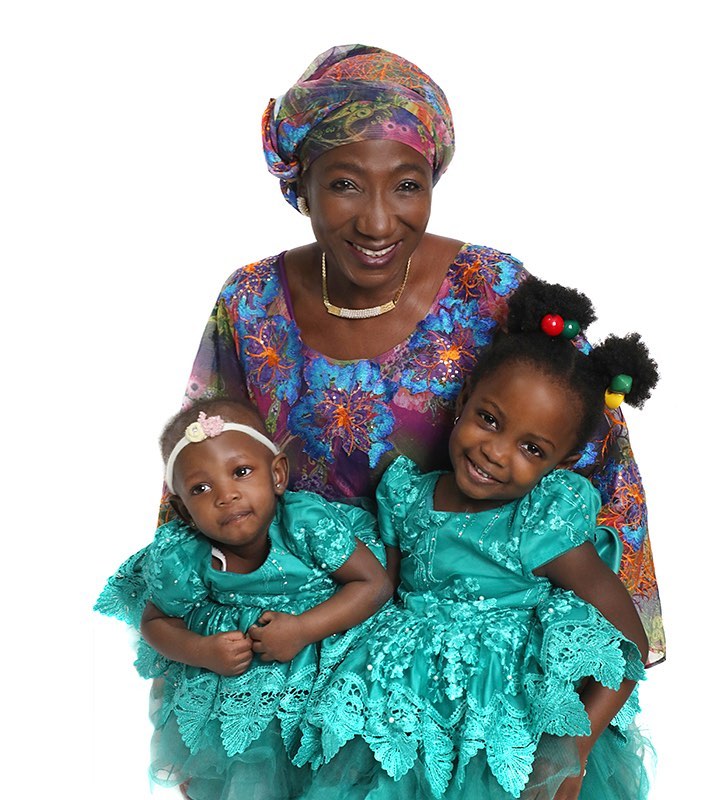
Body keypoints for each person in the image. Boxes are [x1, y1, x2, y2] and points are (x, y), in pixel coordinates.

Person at [174, 43, 665, 663]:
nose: (378, 223)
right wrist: (186, 636)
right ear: (302, 185)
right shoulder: (250, 304)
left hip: (472, 654)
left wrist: (604, 672)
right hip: (291, 638)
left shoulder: (489, 290)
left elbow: (598, 460)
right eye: (346, 185)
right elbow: (195, 464)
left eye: (407, 186)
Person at [295, 276, 658, 800]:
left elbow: (629, 642)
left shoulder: (538, 524)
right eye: (489, 419)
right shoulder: (405, 494)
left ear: (562, 463)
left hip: (501, 725)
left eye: (532, 449)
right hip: (403, 712)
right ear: (464, 400)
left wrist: (574, 750)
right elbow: (381, 592)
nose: (496, 451)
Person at [95, 398, 394, 800]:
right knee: (252, 770)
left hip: (328, 660)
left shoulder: (305, 523)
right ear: (183, 511)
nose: (226, 495)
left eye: (241, 472)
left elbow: (373, 585)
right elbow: (155, 622)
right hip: (245, 690)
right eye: (202, 488)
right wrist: (201, 651)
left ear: (277, 475)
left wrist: (303, 629)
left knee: (335, 759)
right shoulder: (187, 556)